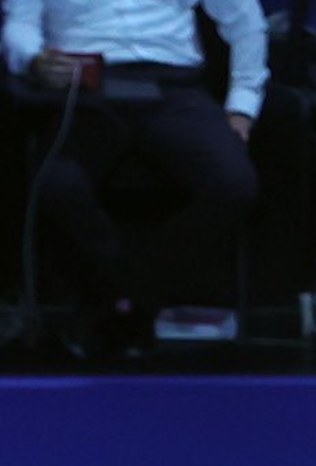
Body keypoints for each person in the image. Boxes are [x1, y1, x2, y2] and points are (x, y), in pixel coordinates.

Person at [2, 0, 265, 358]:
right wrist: (34, 59)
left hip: (174, 84)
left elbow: (246, 20)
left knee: (234, 184)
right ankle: (129, 302)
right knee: (55, 185)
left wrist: (242, 104)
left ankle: (126, 298)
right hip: (86, 82)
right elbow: (19, 24)